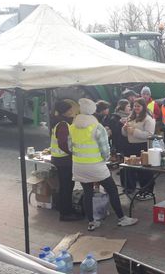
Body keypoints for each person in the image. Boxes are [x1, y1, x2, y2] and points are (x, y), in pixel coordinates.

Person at [68, 98, 138, 231]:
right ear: (94, 111)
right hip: (95, 165)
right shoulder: (97, 127)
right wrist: (105, 159)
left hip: (78, 166)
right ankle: (122, 218)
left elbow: (70, 147)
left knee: (88, 192)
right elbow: (105, 150)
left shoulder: (72, 127)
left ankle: (92, 222)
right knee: (112, 189)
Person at [50, 100, 83, 222]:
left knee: (66, 186)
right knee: (67, 186)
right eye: (69, 110)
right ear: (65, 111)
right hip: (64, 160)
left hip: (60, 160)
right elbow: (63, 143)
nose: (72, 111)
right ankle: (65, 213)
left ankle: (65, 209)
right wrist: (72, 152)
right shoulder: (63, 124)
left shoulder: (59, 122)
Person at [121, 98, 156, 200]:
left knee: (144, 171)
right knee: (130, 169)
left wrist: (134, 131)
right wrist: (124, 129)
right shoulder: (130, 117)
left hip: (143, 147)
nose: (136, 108)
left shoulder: (148, 119)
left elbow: (149, 134)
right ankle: (131, 188)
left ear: (143, 107)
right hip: (130, 146)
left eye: (138, 106)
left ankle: (148, 191)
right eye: (135, 106)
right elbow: (124, 134)